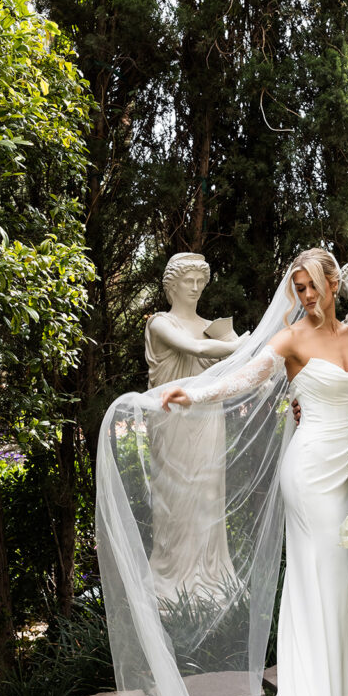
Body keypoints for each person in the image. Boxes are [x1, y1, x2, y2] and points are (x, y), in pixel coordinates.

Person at [161, 248, 348, 696]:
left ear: (334, 283)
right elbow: (241, 378)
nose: (305, 297)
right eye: (298, 288)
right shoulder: (290, 338)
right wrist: (191, 395)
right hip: (306, 475)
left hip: (342, 475)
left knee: (335, 587)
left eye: (312, 287)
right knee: (313, 581)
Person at [144, 253, 244, 600]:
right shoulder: (161, 323)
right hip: (172, 421)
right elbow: (197, 347)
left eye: (201, 281)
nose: (197, 287)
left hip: (208, 418)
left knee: (208, 492)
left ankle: (210, 573)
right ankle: (174, 578)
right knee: (176, 495)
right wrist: (240, 345)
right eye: (189, 281)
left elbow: (225, 370)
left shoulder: (210, 326)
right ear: (172, 285)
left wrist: (234, 349)